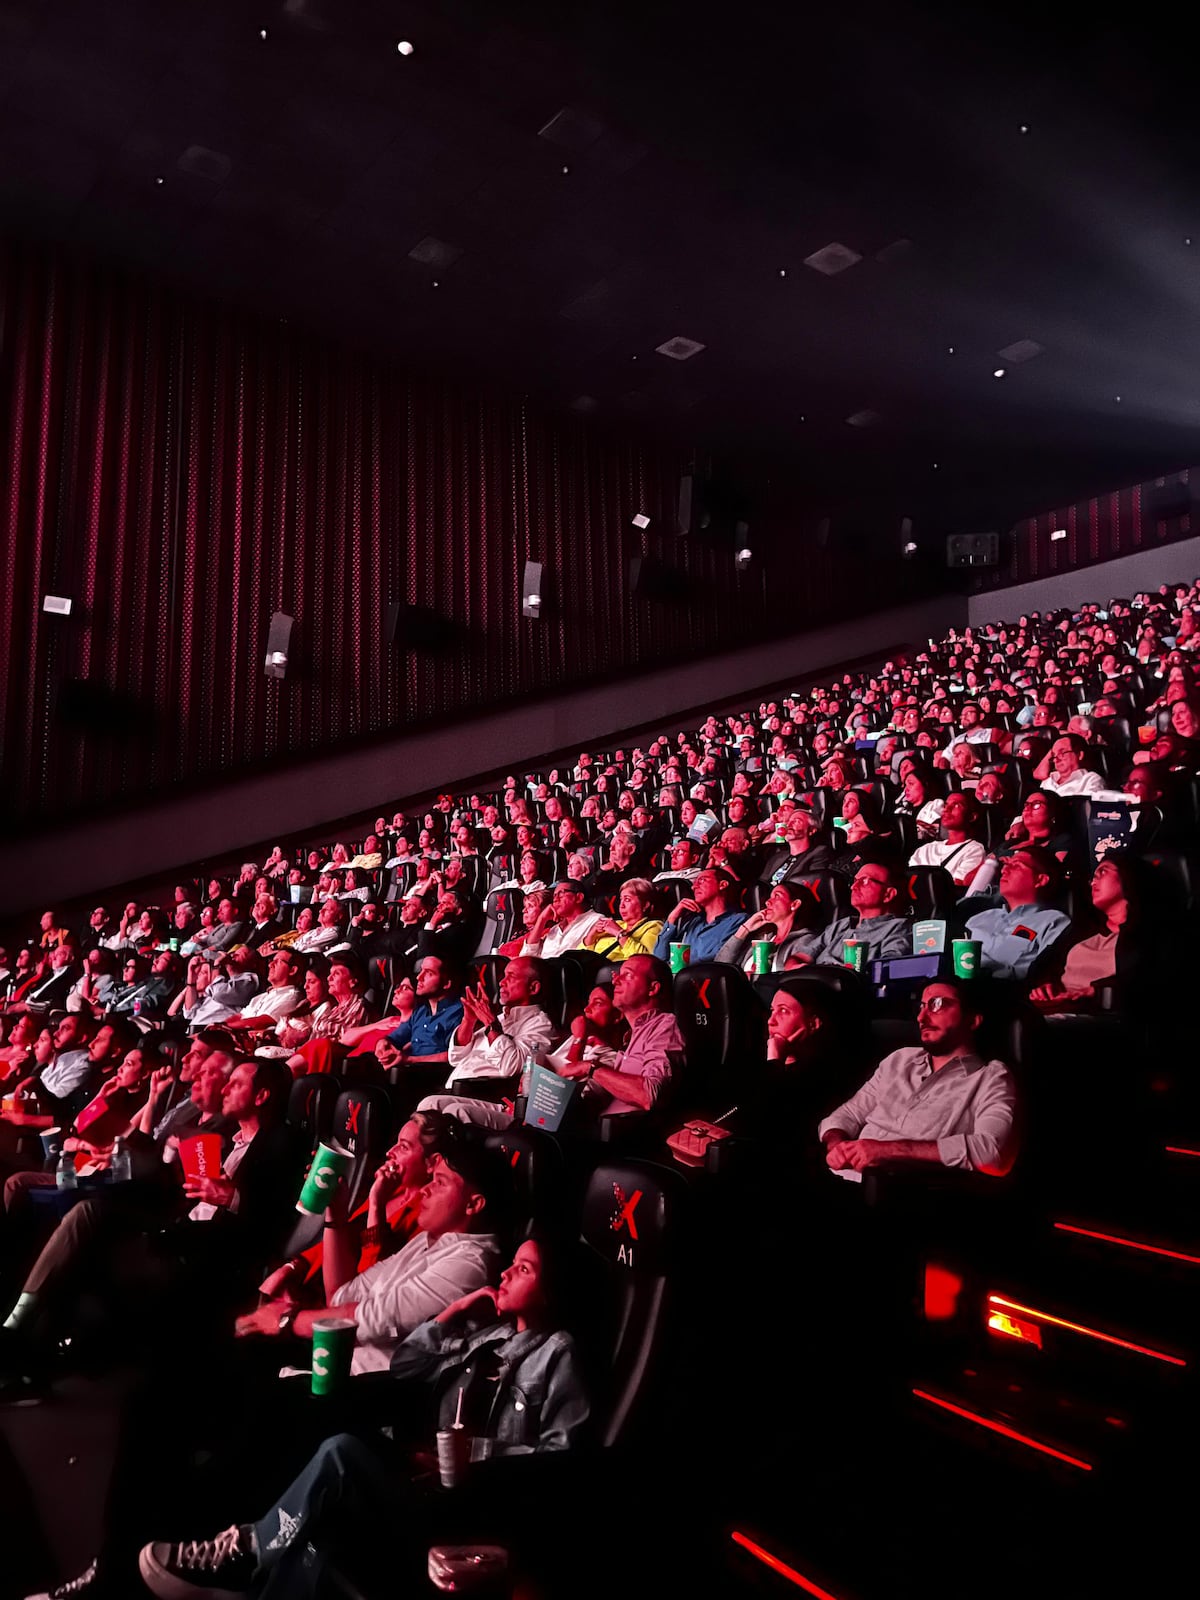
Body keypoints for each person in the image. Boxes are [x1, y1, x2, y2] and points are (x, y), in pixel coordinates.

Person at [131, 1237, 589, 1600]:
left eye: (524, 1270)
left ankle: (247, 1550)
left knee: (341, 1451)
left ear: (552, 1292)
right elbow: (406, 1366)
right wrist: (450, 1316)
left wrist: (474, 1453)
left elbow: (562, 1454)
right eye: (512, 1263)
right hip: (420, 1473)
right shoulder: (489, 1334)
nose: (506, 1273)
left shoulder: (559, 1353)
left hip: (471, 1499)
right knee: (323, 1519)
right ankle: (256, 1586)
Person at [232, 1138, 506, 1374]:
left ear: (474, 1204)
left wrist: (286, 1321)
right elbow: (341, 1297)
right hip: (338, 1366)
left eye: (440, 1183)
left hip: (373, 1393)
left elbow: (372, 1320)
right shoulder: (428, 1239)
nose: (425, 1189)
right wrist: (336, 1214)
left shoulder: (470, 1263)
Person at [819, 978, 1018, 1175]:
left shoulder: (991, 1077)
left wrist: (888, 1151)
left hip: (902, 1193)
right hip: (838, 1178)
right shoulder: (900, 1059)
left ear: (973, 1020)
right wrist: (836, 1144)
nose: (921, 1017)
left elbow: (993, 1152)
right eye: (922, 1006)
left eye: (937, 1005)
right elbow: (847, 1114)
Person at [555, 954, 682, 1116]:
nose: (615, 981)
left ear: (652, 989)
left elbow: (650, 1095)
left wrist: (591, 1068)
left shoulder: (664, 1026)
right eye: (618, 975)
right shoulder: (631, 1036)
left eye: (628, 975)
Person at [1030, 854, 1140, 1010]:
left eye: (1103, 872)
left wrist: (1096, 992)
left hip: (1101, 1016)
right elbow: (1043, 966)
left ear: (1129, 877)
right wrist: (1045, 986)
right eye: (1093, 877)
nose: (1093, 881)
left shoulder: (1149, 937)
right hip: (1054, 1008)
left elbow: (1150, 981)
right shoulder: (1081, 930)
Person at [444, 957, 558, 1093]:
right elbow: (456, 1058)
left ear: (533, 988)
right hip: (452, 1089)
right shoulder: (499, 1018)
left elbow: (511, 1067)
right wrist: (469, 1020)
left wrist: (491, 1024)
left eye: (511, 977)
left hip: (482, 1095)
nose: (501, 982)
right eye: (503, 976)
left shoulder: (542, 1026)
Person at [966, 846, 1072, 982]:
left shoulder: (1053, 922)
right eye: (1006, 864)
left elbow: (1043, 975)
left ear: (1040, 880)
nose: (1004, 870)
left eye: (1016, 866)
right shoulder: (977, 919)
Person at [786, 862, 911, 968]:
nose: (853, 887)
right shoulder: (842, 924)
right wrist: (795, 968)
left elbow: (888, 969)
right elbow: (799, 956)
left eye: (865, 881)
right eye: (855, 881)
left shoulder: (898, 927)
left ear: (888, 894)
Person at [652, 866, 747, 963]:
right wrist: (672, 918)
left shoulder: (739, 921)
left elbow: (719, 958)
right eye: (695, 882)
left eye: (702, 880)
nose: (694, 887)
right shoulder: (692, 923)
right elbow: (659, 960)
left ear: (722, 885)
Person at [907, 791, 988, 888]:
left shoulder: (974, 850)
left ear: (972, 817)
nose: (946, 809)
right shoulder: (926, 849)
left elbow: (956, 886)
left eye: (956, 805)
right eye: (946, 805)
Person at [520, 880, 607, 959]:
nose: (555, 899)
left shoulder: (596, 920)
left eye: (561, 893)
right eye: (554, 895)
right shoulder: (554, 930)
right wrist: (541, 919)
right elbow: (526, 958)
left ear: (579, 897)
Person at [583, 879, 664, 961]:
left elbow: (645, 961)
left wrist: (619, 933)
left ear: (645, 905)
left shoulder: (653, 926)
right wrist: (590, 937)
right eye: (621, 899)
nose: (621, 905)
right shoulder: (616, 924)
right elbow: (581, 955)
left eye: (627, 899)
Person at [1040, 733, 1106, 798]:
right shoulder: (1047, 782)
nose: (1056, 760)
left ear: (1080, 755)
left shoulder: (1091, 780)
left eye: (1062, 753)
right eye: (1054, 755)